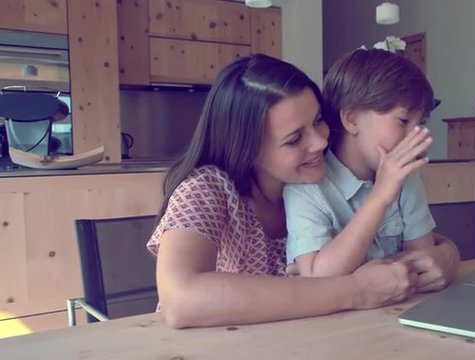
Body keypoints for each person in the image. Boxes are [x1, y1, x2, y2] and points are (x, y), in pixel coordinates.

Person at [148, 54, 459, 329]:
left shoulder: (320, 177)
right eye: (294, 138)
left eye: (318, 120)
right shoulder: (206, 189)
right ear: (247, 147)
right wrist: (355, 291)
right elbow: (181, 298)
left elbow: (392, 241)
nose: (320, 142)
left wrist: (446, 254)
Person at [284, 49, 454, 290]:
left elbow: (422, 263)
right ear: (352, 119)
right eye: (403, 121)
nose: (416, 135)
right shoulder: (306, 187)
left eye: (422, 123)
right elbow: (317, 279)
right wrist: (381, 197)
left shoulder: (406, 178)